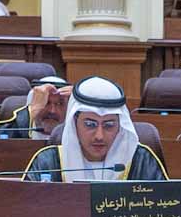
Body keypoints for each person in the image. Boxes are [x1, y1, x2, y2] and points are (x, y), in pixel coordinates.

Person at [19, 77, 169, 181]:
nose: (99, 136)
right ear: (74, 123)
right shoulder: (48, 162)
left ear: (120, 126)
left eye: (109, 125)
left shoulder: (141, 160)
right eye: (90, 124)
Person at [0, 75, 71, 137]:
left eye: (59, 104)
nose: (52, 111)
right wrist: (33, 112)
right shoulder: (16, 129)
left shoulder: (73, 135)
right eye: (46, 102)